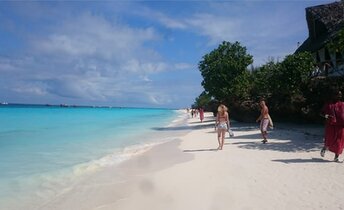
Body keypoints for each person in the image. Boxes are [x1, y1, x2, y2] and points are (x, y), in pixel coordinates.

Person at [320, 89, 344, 162]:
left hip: (341, 125)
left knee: (339, 141)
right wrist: (326, 116)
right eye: (337, 94)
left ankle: (336, 157)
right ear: (333, 95)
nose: (339, 96)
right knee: (329, 139)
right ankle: (324, 148)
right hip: (330, 125)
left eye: (340, 94)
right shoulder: (328, 104)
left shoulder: (343, 104)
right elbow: (321, 113)